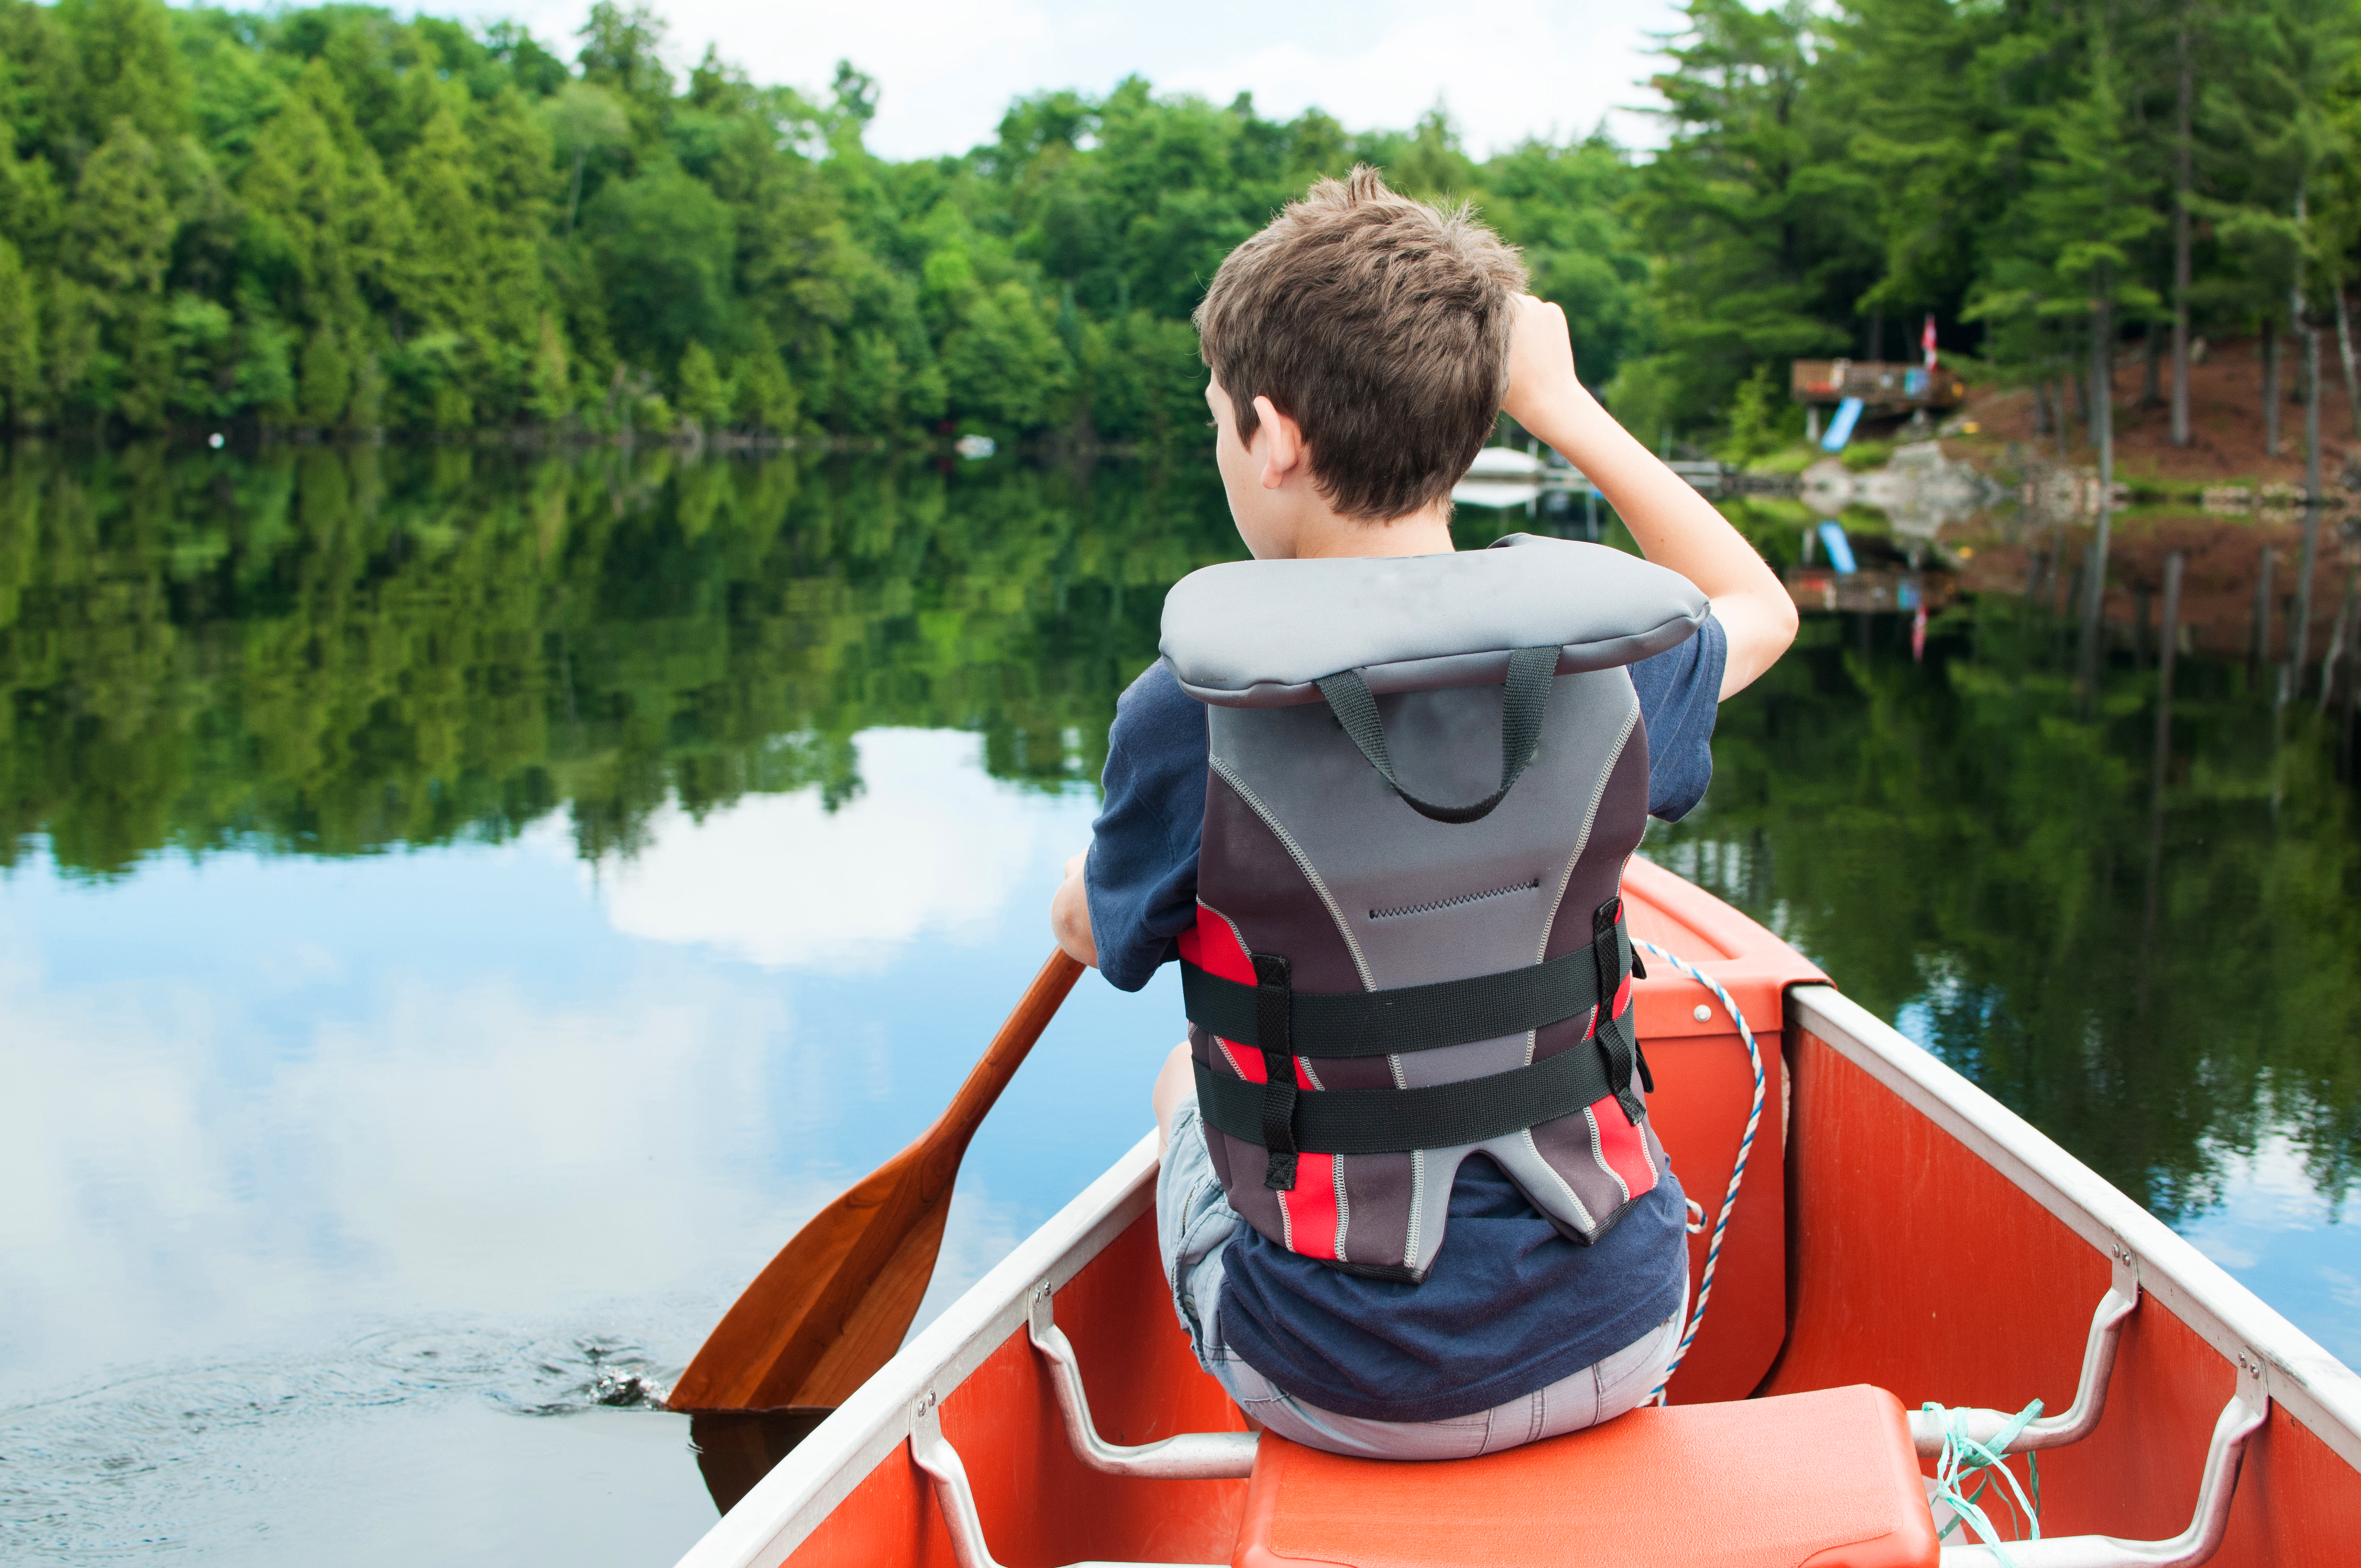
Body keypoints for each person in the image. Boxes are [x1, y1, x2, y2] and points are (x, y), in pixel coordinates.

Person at [1047, 167, 1797, 1461]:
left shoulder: (1190, 708)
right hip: (1628, 1326)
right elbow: (1760, 605)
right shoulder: (1606, 655)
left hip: (1345, 1382)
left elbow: (1087, 929)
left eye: (1218, 421)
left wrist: (1094, 887)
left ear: (1271, 435)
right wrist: (1559, 404)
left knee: (1183, 1078)